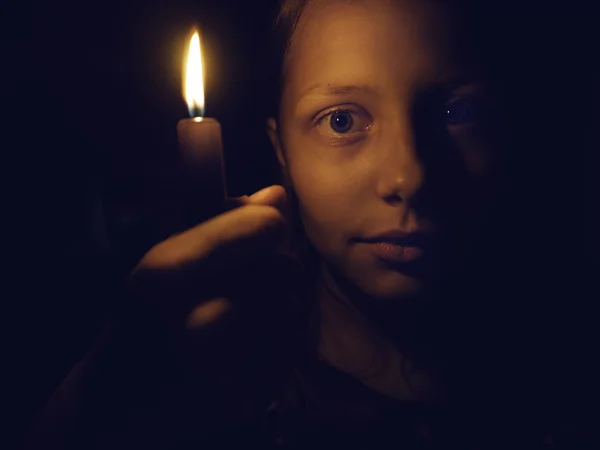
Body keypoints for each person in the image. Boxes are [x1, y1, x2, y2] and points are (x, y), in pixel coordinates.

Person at [25, 0, 581, 448]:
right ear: (281, 151)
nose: (410, 176)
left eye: (456, 112)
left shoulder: (569, 363)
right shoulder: (231, 395)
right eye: (342, 120)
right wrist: (98, 403)